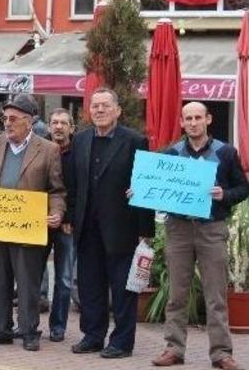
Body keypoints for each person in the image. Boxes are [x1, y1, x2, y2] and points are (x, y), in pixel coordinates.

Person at [151, 102, 249, 370]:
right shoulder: (172, 153)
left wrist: (224, 195)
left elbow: (243, 188)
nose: (193, 122)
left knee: (215, 294)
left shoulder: (226, 152)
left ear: (208, 119)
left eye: (197, 117)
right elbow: (156, 186)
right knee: (177, 294)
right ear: (182, 123)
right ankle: (174, 349)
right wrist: (140, 191)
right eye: (188, 118)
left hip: (212, 228)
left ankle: (221, 354)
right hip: (178, 229)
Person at [0, 95, 65, 352]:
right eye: (4, 118)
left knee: (28, 283)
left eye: (13, 119)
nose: (7, 124)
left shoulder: (48, 149)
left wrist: (56, 213)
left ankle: (29, 331)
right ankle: (0, 329)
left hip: (29, 229)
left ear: (29, 121)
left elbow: (57, 190)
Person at [66, 87, 153, 359]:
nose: (100, 110)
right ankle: (92, 336)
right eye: (95, 106)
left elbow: (146, 188)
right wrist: (70, 217)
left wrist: (145, 231)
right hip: (87, 228)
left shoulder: (135, 141)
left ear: (117, 110)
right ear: (88, 111)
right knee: (90, 287)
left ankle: (122, 342)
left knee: (122, 289)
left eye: (105, 106)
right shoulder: (79, 140)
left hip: (121, 227)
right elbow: (73, 185)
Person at [42, 107, 77, 343]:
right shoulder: (39, 149)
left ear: (71, 128)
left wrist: (69, 218)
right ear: (48, 126)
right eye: (54, 122)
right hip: (39, 222)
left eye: (63, 123)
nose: (58, 127)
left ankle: (58, 325)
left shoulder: (80, 152)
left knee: (64, 279)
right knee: (31, 276)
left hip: (66, 226)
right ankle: (28, 322)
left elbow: (81, 191)